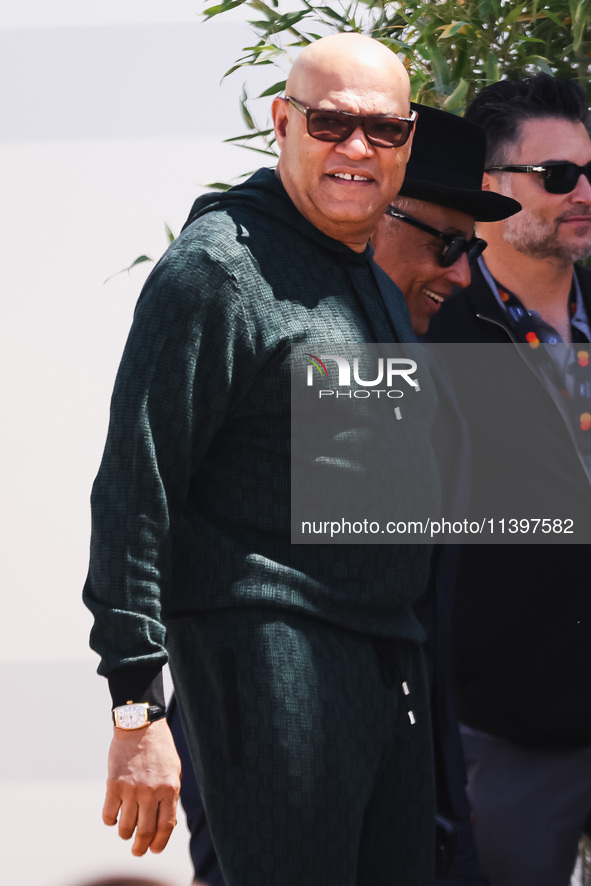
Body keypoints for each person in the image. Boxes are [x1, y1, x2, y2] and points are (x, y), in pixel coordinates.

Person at [84, 33, 441, 886]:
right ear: (282, 123)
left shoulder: (369, 281)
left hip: (384, 657)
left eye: (383, 130)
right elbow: (136, 489)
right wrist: (137, 708)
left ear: (407, 144)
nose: (356, 148)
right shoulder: (216, 270)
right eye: (330, 123)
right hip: (265, 654)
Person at [167, 103, 519, 886]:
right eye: (449, 243)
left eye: (475, 249)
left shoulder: (405, 362)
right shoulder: (282, 334)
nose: (463, 274)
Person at [426, 74, 591, 886]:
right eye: (557, 176)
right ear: (491, 188)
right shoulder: (424, 333)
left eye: (590, 172)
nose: (583, 192)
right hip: (502, 736)